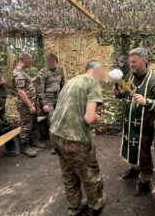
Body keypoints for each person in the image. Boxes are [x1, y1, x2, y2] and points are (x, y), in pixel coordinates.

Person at [50, 60, 106, 216]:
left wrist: (91, 115)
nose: (103, 75)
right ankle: (96, 206)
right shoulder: (93, 83)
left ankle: (73, 208)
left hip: (56, 134)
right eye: (102, 71)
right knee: (89, 174)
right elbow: (89, 118)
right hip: (75, 139)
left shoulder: (72, 81)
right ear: (96, 69)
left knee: (69, 174)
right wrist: (96, 119)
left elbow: (69, 107)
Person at [114, 47, 155, 197]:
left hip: (145, 125)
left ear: (144, 61)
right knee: (131, 147)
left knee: (144, 153)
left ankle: (145, 180)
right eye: (129, 61)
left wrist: (146, 101)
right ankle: (135, 168)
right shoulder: (130, 77)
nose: (130, 64)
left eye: (134, 62)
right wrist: (119, 94)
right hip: (130, 123)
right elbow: (125, 93)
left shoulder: (154, 81)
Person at [12, 52, 45, 158]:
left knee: (34, 123)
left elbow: (27, 83)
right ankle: (25, 146)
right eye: (29, 60)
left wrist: (35, 78)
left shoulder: (22, 72)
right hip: (26, 105)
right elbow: (21, 92)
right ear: (24, 60)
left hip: (31, 102)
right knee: (26, 125)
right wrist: (30, 105)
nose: (31, 62)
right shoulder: (18, 74)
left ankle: (34, 141)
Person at [37, 53, 65, 154]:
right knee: (52, 121)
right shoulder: (42, 73)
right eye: (50, 62)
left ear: (57, 62)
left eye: (53, 62)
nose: (52, 64)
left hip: (58, 99)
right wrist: (44, 103)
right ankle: (54, 146)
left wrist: (64, 100)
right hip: (47, 100)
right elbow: (40, 90)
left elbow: (63, 86)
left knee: (60, 120)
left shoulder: (60, 72)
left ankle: (62, 143)